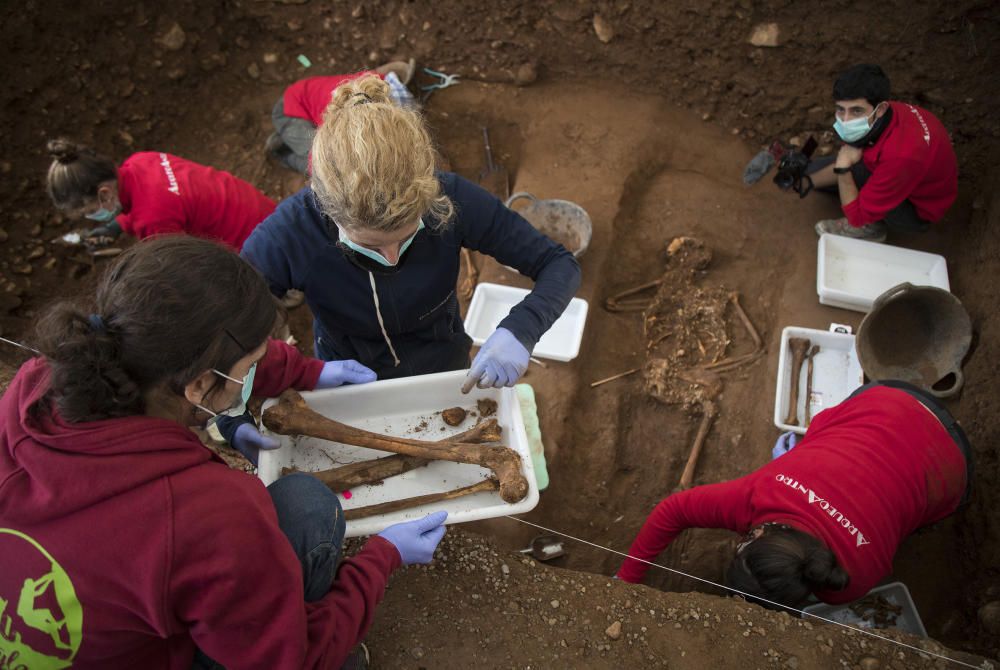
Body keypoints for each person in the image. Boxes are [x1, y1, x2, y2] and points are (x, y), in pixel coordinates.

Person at [0, 237, 448, 668]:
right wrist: (381, 557)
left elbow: (203, 355)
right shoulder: (207, 512)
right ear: (197, 386)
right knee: (307, 507)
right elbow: (291, 659)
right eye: (252, 367)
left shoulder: (39, 386)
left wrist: (306, 371)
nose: (258, 370)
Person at [243, 74, 582, 390]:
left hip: (441, 358)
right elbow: (225, 332)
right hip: (348, 376)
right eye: (368, 247)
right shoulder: (293, 232)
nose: (391, 260)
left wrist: (521, 329)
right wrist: (240, 413)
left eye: (406, 239)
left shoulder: (451, 196)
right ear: (328, 212)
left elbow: (558, 263)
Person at [616, 381, 971, 609]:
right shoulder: (761, 494)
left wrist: (626, 579)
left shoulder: (851, 582)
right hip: (893, 403)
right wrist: (627, 578)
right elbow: (672, 510)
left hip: (949, 462)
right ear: (755, 536)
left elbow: (673, 509)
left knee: (909, 512)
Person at [808, 64, 958, 243]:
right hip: (908, 174)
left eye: (856, 111)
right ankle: (814, 178)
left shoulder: (901, 156)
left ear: (880, 109)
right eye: (841, 109)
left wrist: (843, 170)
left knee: (850, 182)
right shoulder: (886, 112)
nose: (845, 120)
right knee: (813, 172)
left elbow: (856, 217)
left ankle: (871, 228)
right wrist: (807, 181)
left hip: (917, 210)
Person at [45, 139, 276, 251]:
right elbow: (143, 200)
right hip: (264, 211)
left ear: (104, 194)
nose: (91, 216)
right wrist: (115, 227)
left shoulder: (153, 222)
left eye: (89, 211)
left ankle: (282, 288)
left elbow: (184, 263)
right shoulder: (141, 160)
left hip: (260, 246)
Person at [267, 61, 417, 174]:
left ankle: (289, 138)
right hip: (289, 111)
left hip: (302, 100)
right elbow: (330, 155)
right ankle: (284, 152)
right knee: (324, 170)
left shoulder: (374, 82)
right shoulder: (341, 118)